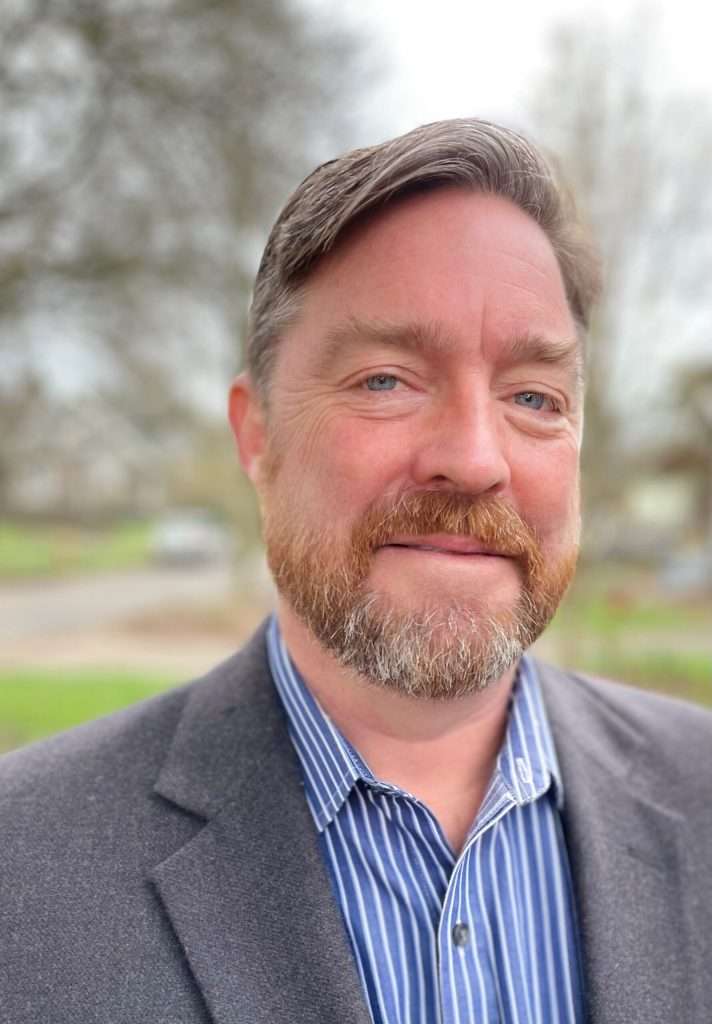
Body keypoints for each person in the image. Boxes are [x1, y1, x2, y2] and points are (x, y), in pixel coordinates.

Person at [1, 119, 710, 1024]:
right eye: (386, 380)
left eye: (534, 396)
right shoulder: (23, 872)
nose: (474, 459)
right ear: (258, 436)